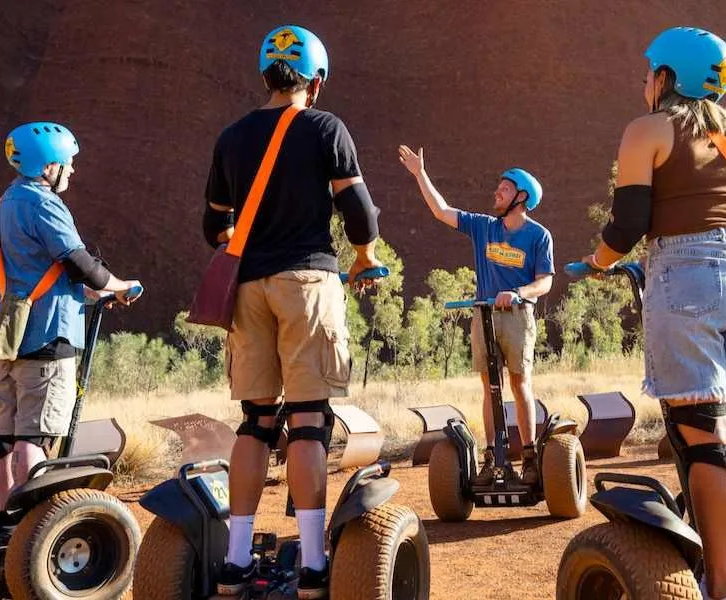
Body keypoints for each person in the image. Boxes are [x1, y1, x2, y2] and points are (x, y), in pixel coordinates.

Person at [582, 27, 726, 600]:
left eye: (650, 70)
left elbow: (628, 224)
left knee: (706, 438)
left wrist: (599, 261)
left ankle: (720, 585)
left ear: (667, 76)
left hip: (687, 271)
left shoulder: (648, 129)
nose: (644, 80)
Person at [202, 25, 383, 598]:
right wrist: (365, 257)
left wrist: (250, 243)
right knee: (307, 420)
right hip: (307, 280)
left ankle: (234, 563)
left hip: (248, 289)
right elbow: (360, 213)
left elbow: (214, 227)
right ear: (317, 81)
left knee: (256, 423)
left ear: (265, 76)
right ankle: (311, 565)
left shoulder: (232, 138)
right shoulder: (324, 127)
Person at [0, 122, 141, 558]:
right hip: (50, 335)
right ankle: (34, 533)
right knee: (35, 438)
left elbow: (34, 271)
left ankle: (3, 527)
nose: (71, 171)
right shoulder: (44, 204)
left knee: (6, 437)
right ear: (48, 166)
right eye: (67, 164)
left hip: (9, 336)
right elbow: (78, 261)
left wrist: (93, 293)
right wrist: (117, 284)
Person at [398, 146, 554, 486]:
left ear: (522, 196)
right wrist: (419, 174)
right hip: (483, 314)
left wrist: (518, 293)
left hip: (516, 315)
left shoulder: (538, 235)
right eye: (498, 187)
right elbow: (441, 211)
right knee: (490, 386)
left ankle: (528, 456)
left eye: (505, 187)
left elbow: (545, 281)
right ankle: (493, 457)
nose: (497, 192)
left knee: (519, 382)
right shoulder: (484, 226)